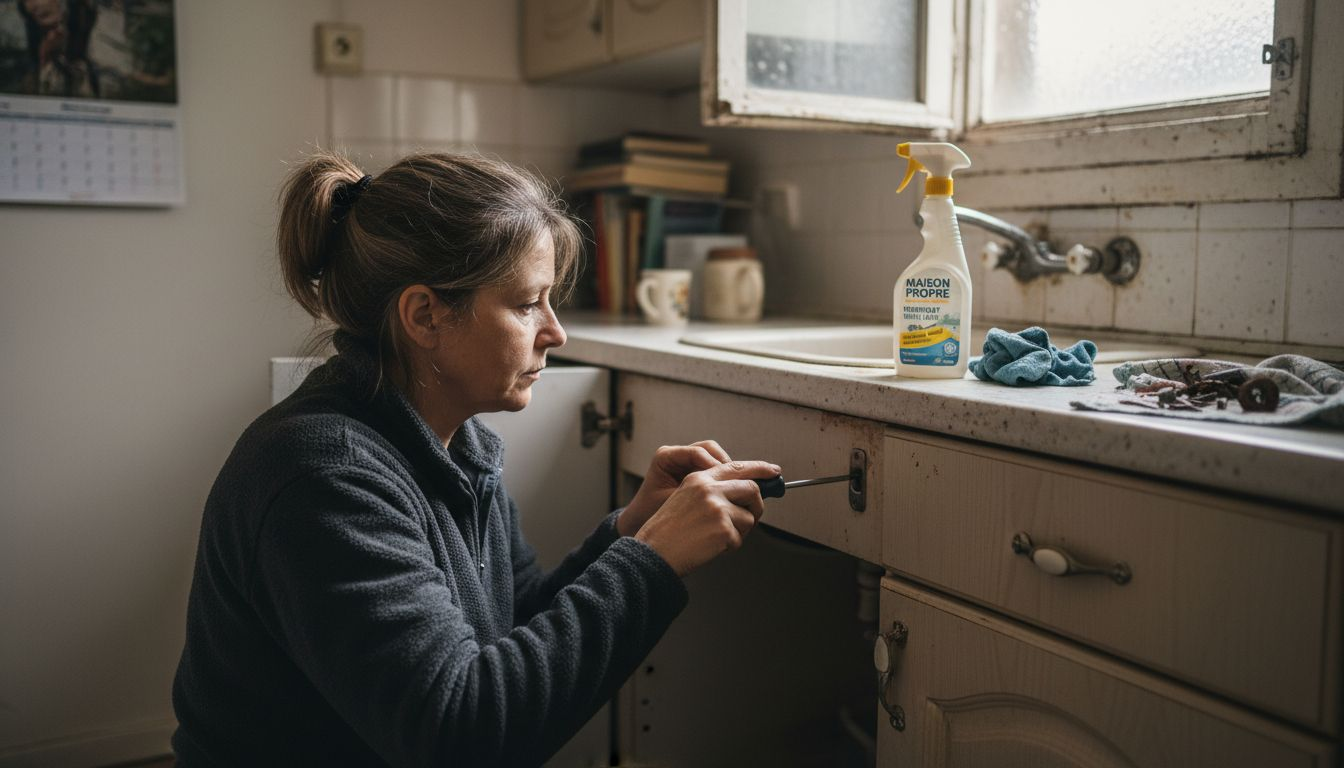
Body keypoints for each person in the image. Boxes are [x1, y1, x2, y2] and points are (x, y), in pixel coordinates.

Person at [170, 150, 778, 767]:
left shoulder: (452, 446)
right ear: (425, 316)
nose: (555, 331)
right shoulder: (324, 477)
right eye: (526, 304)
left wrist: (634, 531)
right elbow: (462, 734)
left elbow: (508, 632)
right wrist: (653, 561)